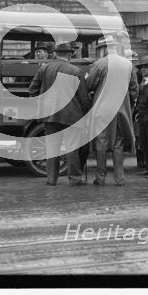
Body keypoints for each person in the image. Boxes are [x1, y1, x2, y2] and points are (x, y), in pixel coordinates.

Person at [28, 43, 91, 186]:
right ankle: (74, 179)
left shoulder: (44, 69)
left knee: (52, 148)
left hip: (49, 115)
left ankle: (51, 179)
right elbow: (83, 97)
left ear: (55, 53)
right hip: (72, 115)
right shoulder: (76, 70)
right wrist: (87, 114)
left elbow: (32, 90)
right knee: (72, 148)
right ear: (69, 54)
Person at [86, 36, 137, 186]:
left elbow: (89, 85)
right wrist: (130, 105)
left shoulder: (99, 64)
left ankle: (100, 178)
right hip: (121, 110)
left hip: (102, 108)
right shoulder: (128, 65)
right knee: (118, 142)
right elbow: (134, 89)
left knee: (101, 142)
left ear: (102, 49)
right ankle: (119, 178)